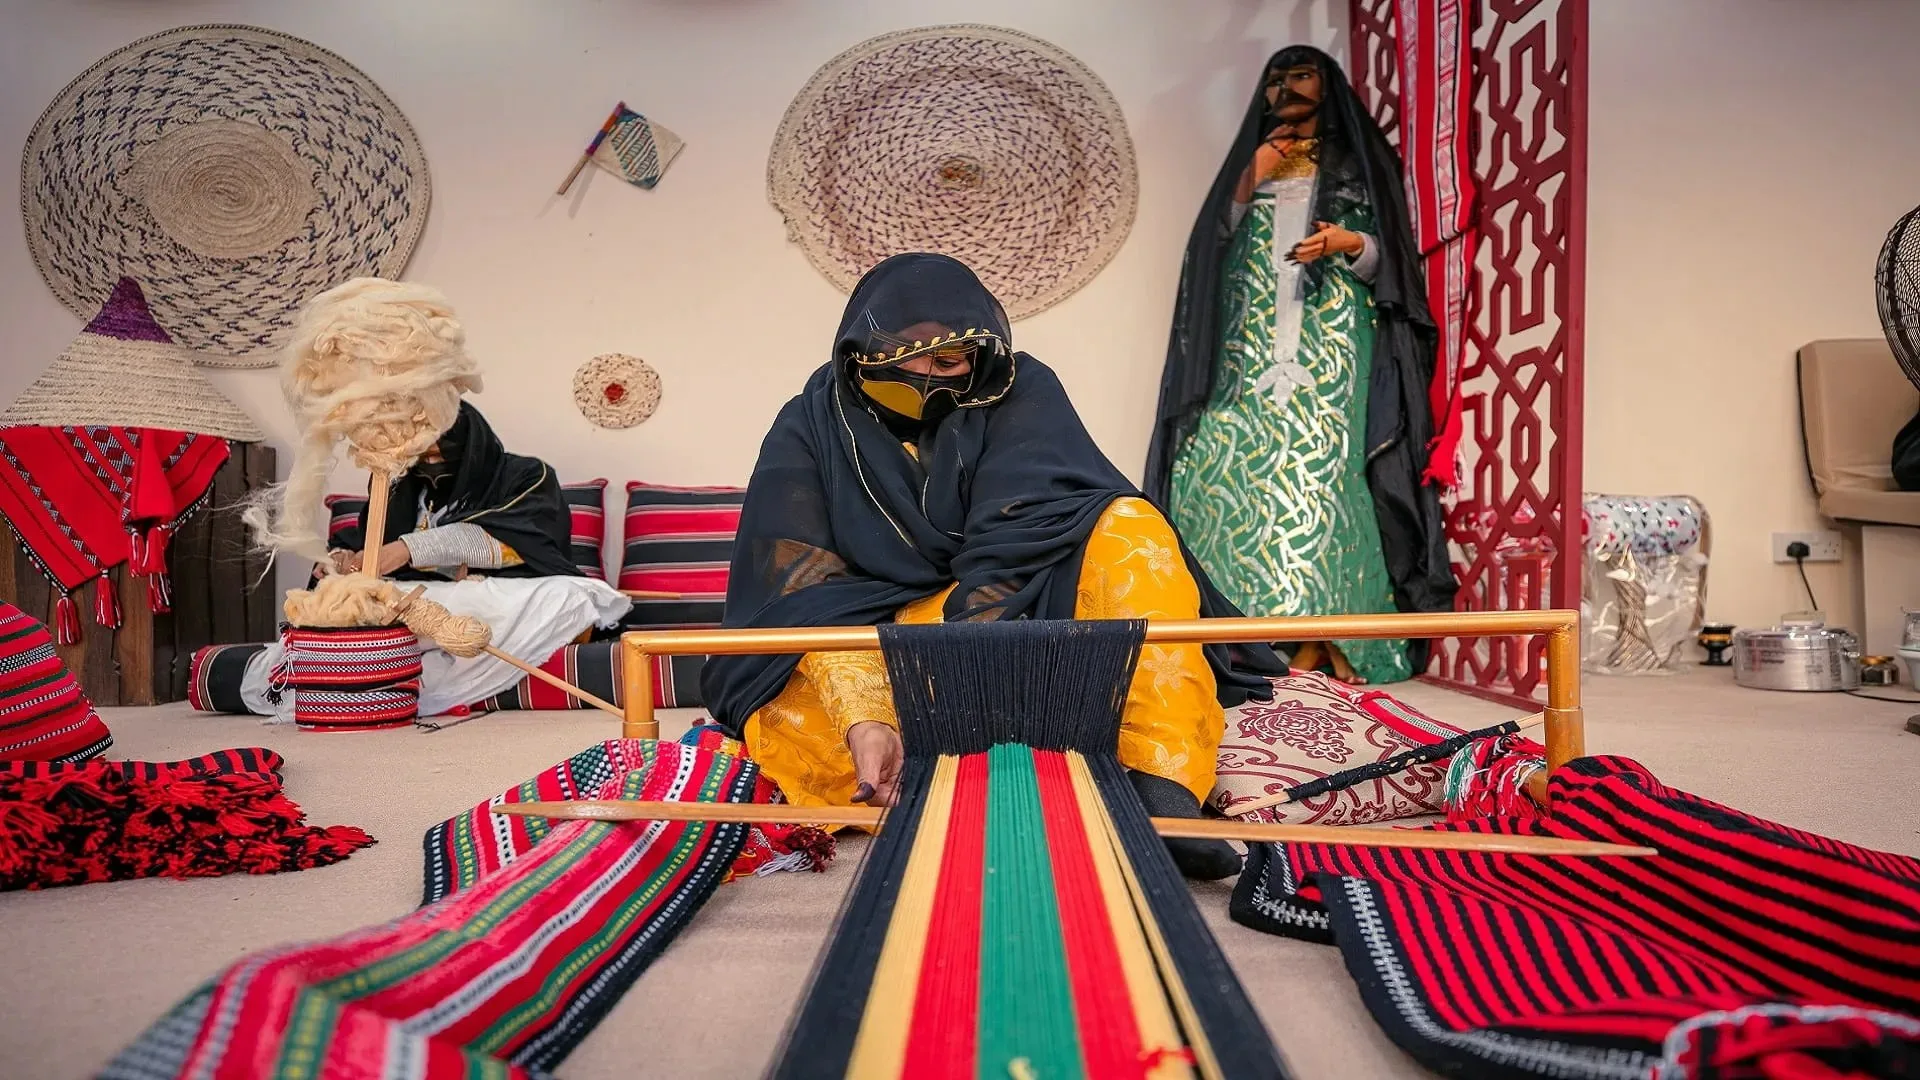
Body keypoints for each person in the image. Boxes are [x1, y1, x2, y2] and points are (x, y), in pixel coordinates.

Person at [702, 253, 1284, 880]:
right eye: (904, 360)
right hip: (877, 633)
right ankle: (971, 766)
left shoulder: (1015, 388)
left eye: (947, 361)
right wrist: (865, 716)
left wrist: (973, 668)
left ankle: (1159, 786)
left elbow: (1026, 529)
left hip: (1021, 600)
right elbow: (808, 595)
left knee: (1130, 526)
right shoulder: (810, 426)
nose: (926, 378)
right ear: (859, 354)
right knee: (791, 716)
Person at [1143, 45, 1456, 686]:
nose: (1286, 87)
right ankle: (1244, 641)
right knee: (1219, 472)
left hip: (1334, 347)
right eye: (1275, 79)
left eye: (1301, 75)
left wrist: (1351, 243)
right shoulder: (1251, 164)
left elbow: (1392, 260)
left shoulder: (1361, 166)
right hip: (1243, 350)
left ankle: (1331, 636)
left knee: (1324, 477)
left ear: (1328, 86)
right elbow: (1207, 256)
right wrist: (1252, 174)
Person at [240, 401, 629, 716]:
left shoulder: (527, 476)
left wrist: (409, 549)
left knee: (568, 594)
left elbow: (523, 538)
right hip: (421, 597)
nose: (434, 459)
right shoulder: (402, 485)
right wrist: (345, 561)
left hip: (507, 588)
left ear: (471, 443)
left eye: (444, 450)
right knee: (356, 597)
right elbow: (360, 542)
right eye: (423, 453)